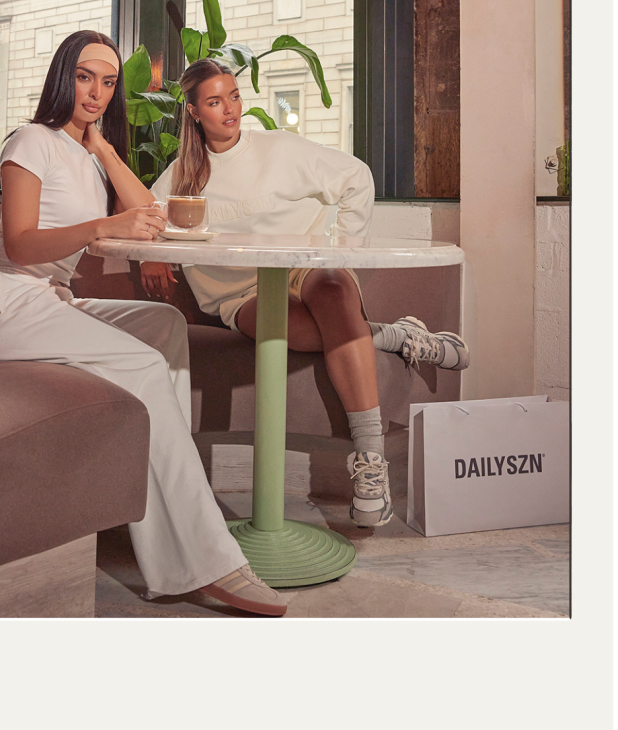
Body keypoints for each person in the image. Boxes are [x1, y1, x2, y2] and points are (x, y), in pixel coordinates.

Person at [0, 32, 287, 617]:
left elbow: (152, 215)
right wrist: (100, 228)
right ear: (64, 76)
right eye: (86, 77)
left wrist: (104, 148)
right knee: (142, 361)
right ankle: (205, 562)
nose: (97, 92)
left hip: (47, 299)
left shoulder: (86, 154)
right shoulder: (31, 140)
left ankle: (162, 510)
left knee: (162, 326)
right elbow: (20, 244)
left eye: (108, 83)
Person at [143, 58, 469, 529]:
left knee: (333, 288)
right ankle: (398, 336)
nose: (230, 109)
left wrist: (343, 250)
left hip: (306, 269)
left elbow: (356, 176)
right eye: (214, 102)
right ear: (193, 112)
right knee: (308, 329)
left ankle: (370, 461)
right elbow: (145, 215)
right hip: (240, 293)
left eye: (234, 96)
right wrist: (152, 253)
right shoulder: (180, 176)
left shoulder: (279, 148)